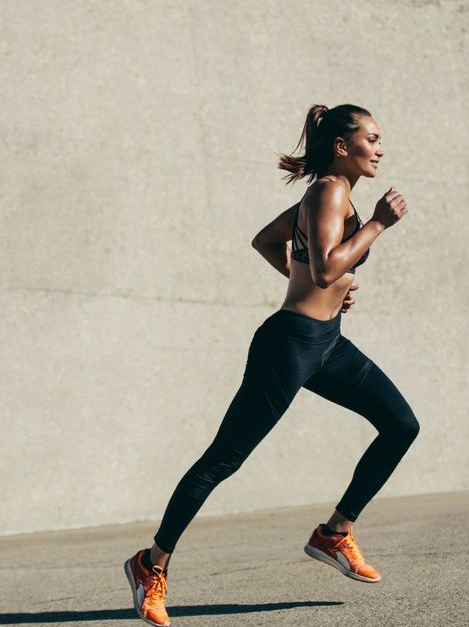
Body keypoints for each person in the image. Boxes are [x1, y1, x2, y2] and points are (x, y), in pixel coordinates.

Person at [124, 103, 420, 627]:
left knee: (401, 424)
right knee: (223, 459)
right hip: (289, 346)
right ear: (341, 146)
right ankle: (151, 564)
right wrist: (377, 225)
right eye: (371, 139)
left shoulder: (335, 195)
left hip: (327, 343)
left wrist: (309, 283)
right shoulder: (330, 191)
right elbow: (329, 267)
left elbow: (272, 244)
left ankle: (334, 533)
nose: (380, 148)